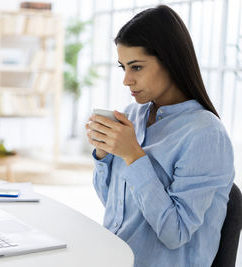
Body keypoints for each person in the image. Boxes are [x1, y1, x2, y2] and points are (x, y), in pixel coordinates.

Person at [85, 5, 234, 267]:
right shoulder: (133, 115)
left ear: (170, 60)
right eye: (123, 68)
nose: (126, 80)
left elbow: (175, 233)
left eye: (137, 67)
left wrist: (133, 155)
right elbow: (114, 209)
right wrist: (103, 154)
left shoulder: (206, 134)